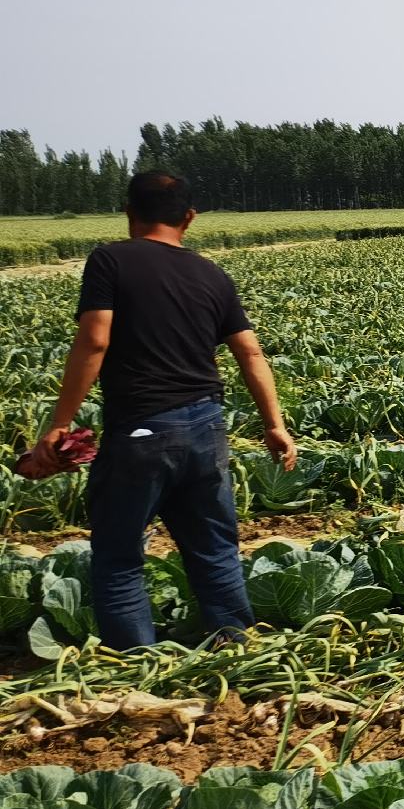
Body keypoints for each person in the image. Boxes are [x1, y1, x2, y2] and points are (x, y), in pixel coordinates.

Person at [21, 171, 298, 648]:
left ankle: (136, 672)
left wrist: (61, 423)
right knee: (215, 550)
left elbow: (95, 339)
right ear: (190, 217)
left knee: (119, 557)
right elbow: (251, 354)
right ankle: (233, 651)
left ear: (129, 212)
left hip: (142, 430)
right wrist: (274, 425)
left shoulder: (111, 260)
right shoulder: (212, 274)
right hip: (207, 427)